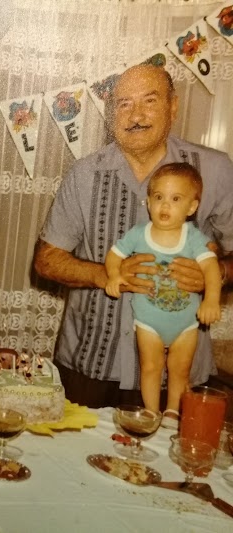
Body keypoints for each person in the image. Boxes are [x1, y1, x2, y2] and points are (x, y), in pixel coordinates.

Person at [34, 63, 233, 410]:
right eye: (124, 104)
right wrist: (106, 274)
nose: (135, 115)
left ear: (173, 106)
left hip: (179, 373)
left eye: (149, 101)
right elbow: (46, 261)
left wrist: (216, 274)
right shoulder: (83, 174)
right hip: (90, 365)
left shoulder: (215, 170)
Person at [105, 163, 221, 426]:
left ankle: (172, 411)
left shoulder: (193, 238)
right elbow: (114, 255)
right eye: (159, 198)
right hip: (148, 320)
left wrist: (212, 300)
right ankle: (151, 411)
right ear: (148, 202)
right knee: (151, 367)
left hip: (185, 322)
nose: (165, 206)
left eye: (175, 199)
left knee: (180, 371)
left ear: (191, 207)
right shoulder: (139, 234)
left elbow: (211, 268)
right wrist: (115, 276)